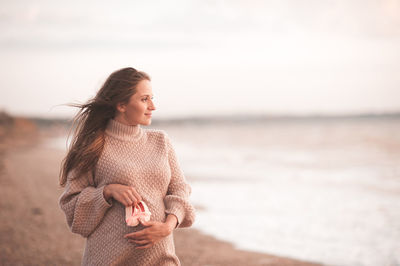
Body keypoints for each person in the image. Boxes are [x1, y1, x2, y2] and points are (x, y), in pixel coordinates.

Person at [59, 67, 195, 265]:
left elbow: (179, 189)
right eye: (144, 99)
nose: (152, 106)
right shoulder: (93, 146)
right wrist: (106, 192)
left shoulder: (160, 141)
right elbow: (71, 205)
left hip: (161, 256)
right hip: (109, 259)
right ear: (121, 104)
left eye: (152, 98)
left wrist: (168, 226)